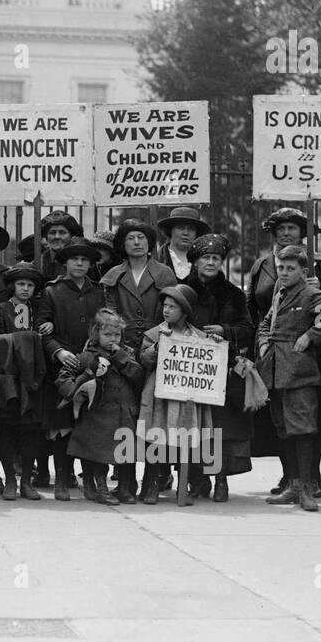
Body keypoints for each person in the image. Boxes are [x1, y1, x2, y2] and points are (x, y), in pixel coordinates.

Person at [246, 206, 321, 498]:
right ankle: (291, 479)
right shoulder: (262, 265)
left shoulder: (319, 266)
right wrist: (260, 342)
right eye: (281, 229)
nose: (286, 233)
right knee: (281, 420)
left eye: (293, 228)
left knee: (305, 418)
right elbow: (257, 310)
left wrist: (311, 336)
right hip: (272, 355)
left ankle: (310, 481)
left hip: (303, 355)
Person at [255, 246, 321, 511]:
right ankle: (293, 485)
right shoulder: (279, 294)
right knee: (284, 429)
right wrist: (262, 343)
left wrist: (310, 336)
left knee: (303, 429)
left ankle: (306, 488)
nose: (284, 273)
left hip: (299, 373)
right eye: (281, 268)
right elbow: (266, 322)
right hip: (275, 370)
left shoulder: (309, 294)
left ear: (303, 272)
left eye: (290, 268)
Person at [187, 233, 256, 501]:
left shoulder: (233, 294)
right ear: (195, 261)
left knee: (221, 428)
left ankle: (221, 480)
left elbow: (247, 328)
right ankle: (197, 479)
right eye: (206, 257)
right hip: (191, 369)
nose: (211, 262)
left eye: (216, 258)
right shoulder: (184, 289)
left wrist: (223, 330)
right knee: (195, 426)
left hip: (223, 371)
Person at [37, 237, 107, 500]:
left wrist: (94, 355)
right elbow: (41, 329)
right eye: (74, 258)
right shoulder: (51, 291)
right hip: (63, 369)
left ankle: (89, 481)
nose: (79, 263)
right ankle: (61, 480)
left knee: (89, 425)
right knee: (61, 426)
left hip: (90, 365)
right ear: (65, 262)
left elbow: (105, 327)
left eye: (85, 259)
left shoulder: (99, 292)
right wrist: (59, 351)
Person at [140, 284, 212, 506]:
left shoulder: (198, 337)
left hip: (187, 400)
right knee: (156, 439)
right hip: (160, 399)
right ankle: (150, 485)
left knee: (186, 442)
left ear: (185, 310)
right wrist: (156, 347)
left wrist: (214, 346)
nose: (167, 310)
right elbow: (144, 359)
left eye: (173, 306)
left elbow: (209, 362)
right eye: (165, 306)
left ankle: (185, 485)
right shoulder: (155, 334)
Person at [64, 307, 144, 503]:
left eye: (117, 334)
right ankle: (101, 488)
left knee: (126, 452)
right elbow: (64, 382)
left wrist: (120, 357)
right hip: (97, 414)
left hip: (125, 412)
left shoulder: (128, 354)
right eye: (107, 334)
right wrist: (86, 376)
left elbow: (138, 375)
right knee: (99, 452)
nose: (113, 339)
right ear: (95, 333)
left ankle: (125, 488)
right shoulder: (87, 356)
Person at [0, 264, 47, 500]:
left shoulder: (36, 310)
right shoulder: (1, 309)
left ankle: (26, 482)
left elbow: (45, 335)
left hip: (31, 378)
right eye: (21, 284)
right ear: (12, 286)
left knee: (30, 431)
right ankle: (9, 478)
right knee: (6, 429)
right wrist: (24, 340)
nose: (25, 289)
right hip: (8, 378)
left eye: (30, 285)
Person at [102, 218, 177, 354]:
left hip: (158, 345)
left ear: (149, 242)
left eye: (141, 237)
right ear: (123, 244)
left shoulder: (165, 273)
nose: (137, 242)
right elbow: (110, 316)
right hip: (123, 346)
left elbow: (173, 311)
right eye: (130, 238)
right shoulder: (113, 275)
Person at [155, 206, 210, 282]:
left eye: (191, 229)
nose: (185, 233)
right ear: (170, 230)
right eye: (180, 228)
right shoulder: (156, 260)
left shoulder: (206, 262)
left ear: (196, 234)